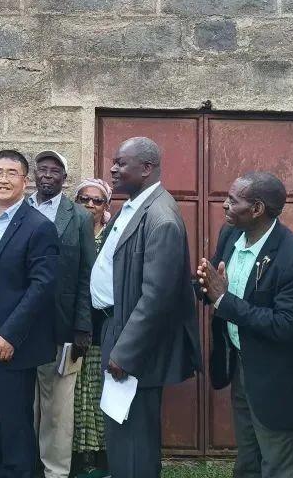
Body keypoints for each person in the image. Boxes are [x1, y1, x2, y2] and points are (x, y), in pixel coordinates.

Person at [195, 172, 293, 478]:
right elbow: (216, 284)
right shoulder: (231, 235)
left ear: (256, 209)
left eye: (233, 200)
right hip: (241, 366)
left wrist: (223, 298)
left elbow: (285, 325)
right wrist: (203, 284)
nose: (224, 205)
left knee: (279, 464)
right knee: (248, 460)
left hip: (277, 379)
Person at [92, 137, 200, 478]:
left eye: (121, 163)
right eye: (114, 162)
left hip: (133, 341)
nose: (113, 169)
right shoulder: (133, 206)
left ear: (147, 168)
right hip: (116, 328)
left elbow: (157, 297)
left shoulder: (161, 218)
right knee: (121, 432)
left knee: (134, 437)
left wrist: (125, 352)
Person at [0, 149, 59, 478]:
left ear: (25, 181)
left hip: (10, 342)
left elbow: (42, 286)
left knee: (15, 422)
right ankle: (4, 471)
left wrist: (10, 334)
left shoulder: (38, 227)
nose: (3, 179)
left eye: (12, 173)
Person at [27, 151, 95, 478]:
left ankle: (55, 472)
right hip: (22, 328)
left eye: (55, 171)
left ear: (64, 179)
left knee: (58, 407)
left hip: (62, 327)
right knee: (25, 404)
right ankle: (27, 466)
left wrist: (82, 326)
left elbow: (86, 274)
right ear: (34, 174)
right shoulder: (20, 210)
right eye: (42, 169)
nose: (47, 175)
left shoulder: (78, 217)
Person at [71, 177, 113, 478]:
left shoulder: (113, 236)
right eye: (84, 199)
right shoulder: (68, 231)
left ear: (106, 205)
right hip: (73, 326)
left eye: (97, 200)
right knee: (74, 395)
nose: (90, 205)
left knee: (99, 394)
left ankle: (100, 457)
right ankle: (76, 456)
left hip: (103, 327)